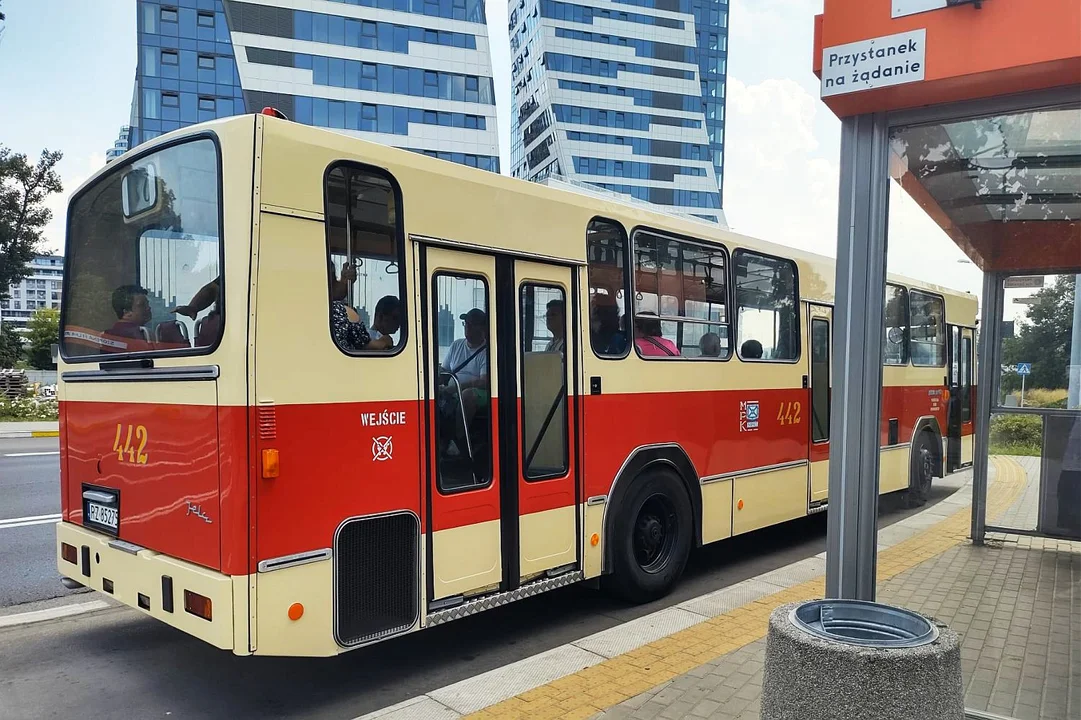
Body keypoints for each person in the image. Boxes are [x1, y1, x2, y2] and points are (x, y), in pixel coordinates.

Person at [438, 308, 489, 453]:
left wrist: (456, 388)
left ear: (483, 328)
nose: (468, 328)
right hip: (451, 391)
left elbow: (484, 381)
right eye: (466, 324)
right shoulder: (456, 345)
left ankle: (459, 440)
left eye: (472, 324)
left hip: (480, 393)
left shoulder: (487, 351)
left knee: (467, 395)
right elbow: (444, 371)